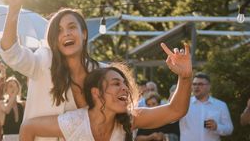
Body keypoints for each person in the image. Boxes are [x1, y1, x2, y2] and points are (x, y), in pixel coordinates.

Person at [0, 0, 103, 140]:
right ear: (54, 39)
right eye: (59, 30)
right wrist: (14, 7)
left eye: (71, 27)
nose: (66, 34)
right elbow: (10, 51)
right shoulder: (42, 61)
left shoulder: (100, 72)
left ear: (84, 33)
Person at [20, 43, 192, 141]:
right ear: (97, 93)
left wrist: (185, 77)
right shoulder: (74, 122)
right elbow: (28, 128)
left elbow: (176, 110)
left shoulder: (128, 121)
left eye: (125, 84)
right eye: (116, 83)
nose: (124, 88)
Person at [179, 72, 233, 141]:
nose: (196, 87)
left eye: (200, 84)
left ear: (209, 86)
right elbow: (171, 120)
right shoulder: (184, 104)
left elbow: (229, 129)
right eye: (194, 84)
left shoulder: (221, 105)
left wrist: (217, 127)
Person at [0, 62, 25, 141]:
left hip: (22, 137)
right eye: (10, 86)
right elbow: (7, 110)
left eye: (15, 86)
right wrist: (14, 94)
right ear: (6, 89)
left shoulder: (22, 104)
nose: (13, 88)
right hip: (8, 138)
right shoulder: (2, 103)